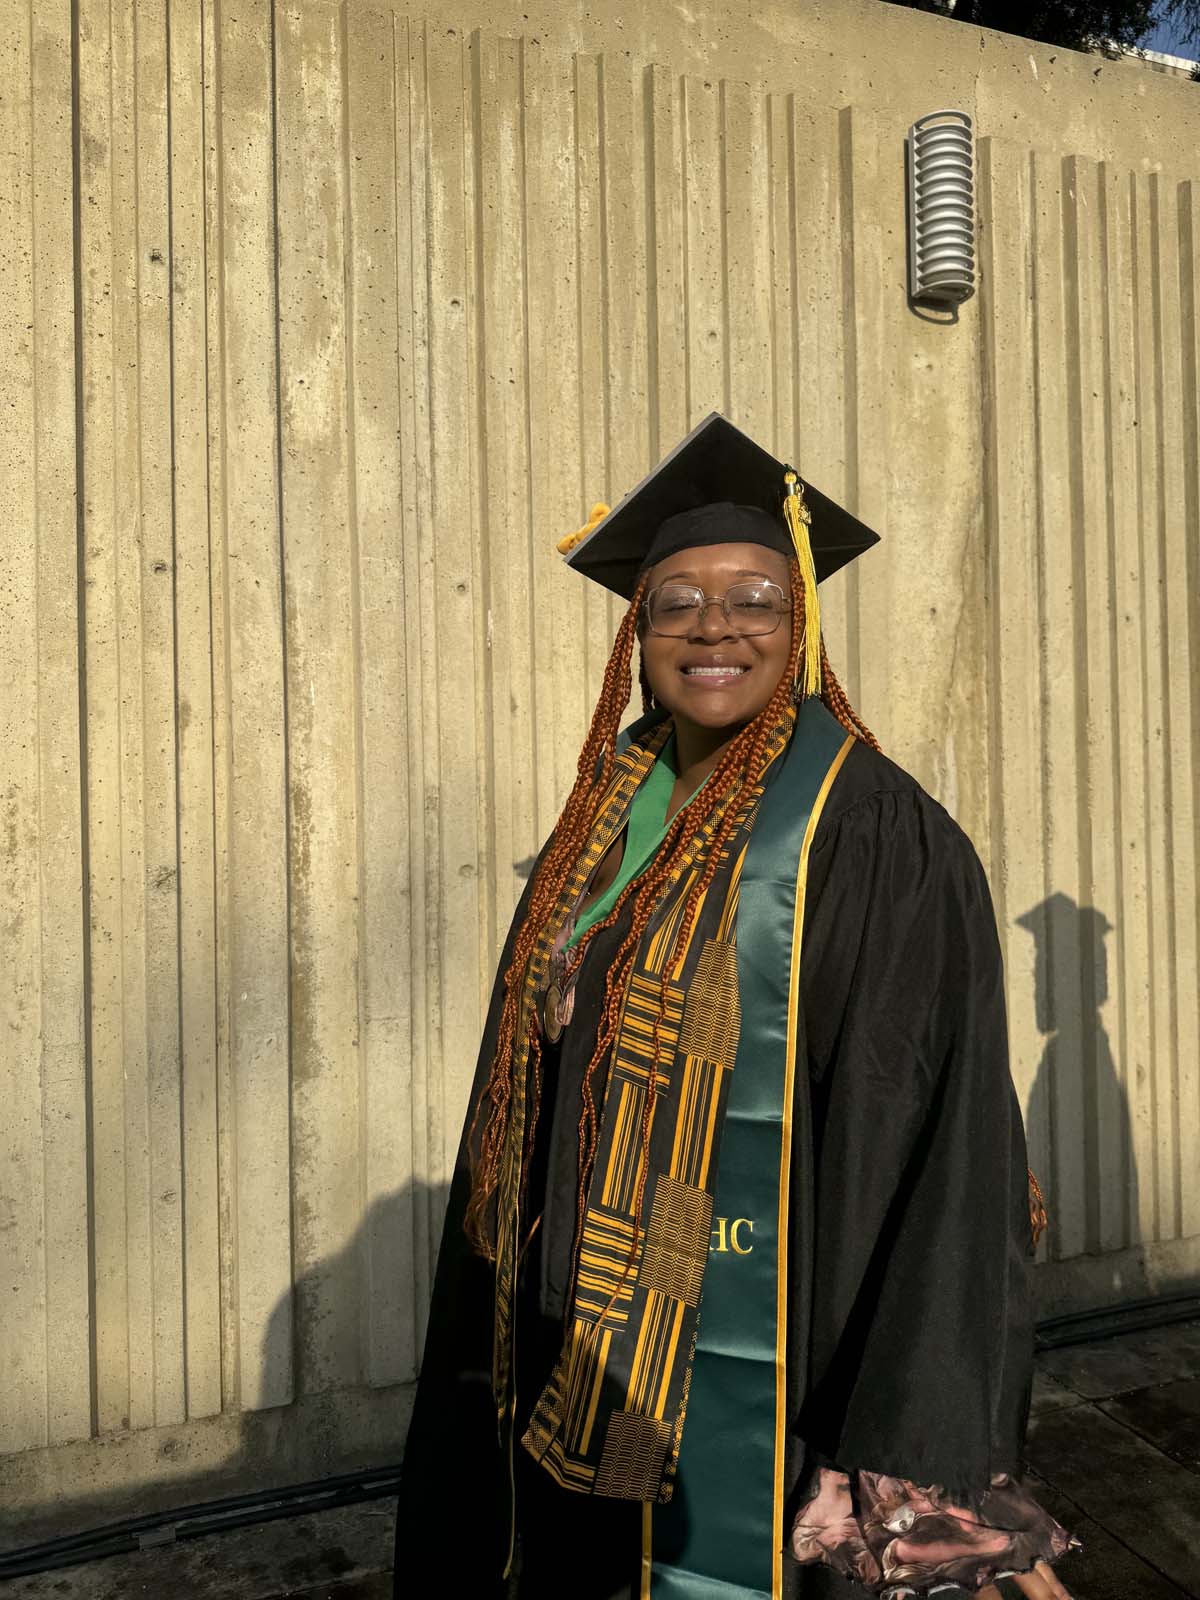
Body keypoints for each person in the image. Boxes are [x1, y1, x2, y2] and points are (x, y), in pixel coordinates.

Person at [392, 413, 1083, 1600]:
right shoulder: (612, 801)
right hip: (599, 1309)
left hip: (782, 1326)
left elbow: (925, 1126)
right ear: (639, 632)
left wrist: (898, 1421)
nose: (715, 627)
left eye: (755, 598)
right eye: (678, 603)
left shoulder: (866, 829)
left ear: (799, 625)